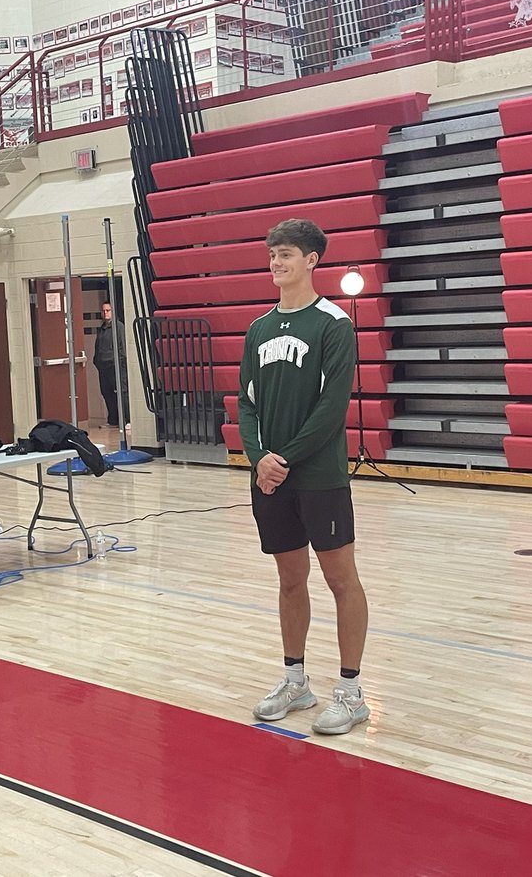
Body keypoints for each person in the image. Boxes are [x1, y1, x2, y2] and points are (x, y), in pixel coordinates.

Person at [236, 218, 371, 736]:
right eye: (272, 254)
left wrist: (282, 458)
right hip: (269, 477)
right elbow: (246, 405)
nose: (275, 263)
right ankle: (296, 681)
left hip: (318, 477)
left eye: (286, 254)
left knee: (341, 580)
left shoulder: (333, 325)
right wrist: (258, 458)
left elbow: (330, 409)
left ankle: (351, 692)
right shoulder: (258, 329)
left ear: (312, 260)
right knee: (289, 579)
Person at [94, 300, 130, 428]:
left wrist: (120, 362)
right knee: (107, 393)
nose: (105, 313)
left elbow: (123, 347)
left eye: (108, 310)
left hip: (116, 365)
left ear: (113, 312)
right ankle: (113, 420)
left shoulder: (118, 327)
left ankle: (127, 420)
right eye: (103, 311)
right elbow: (98, 347)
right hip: (103, 366)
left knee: (122, 392)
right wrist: (96, 361)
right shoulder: (102, 328)